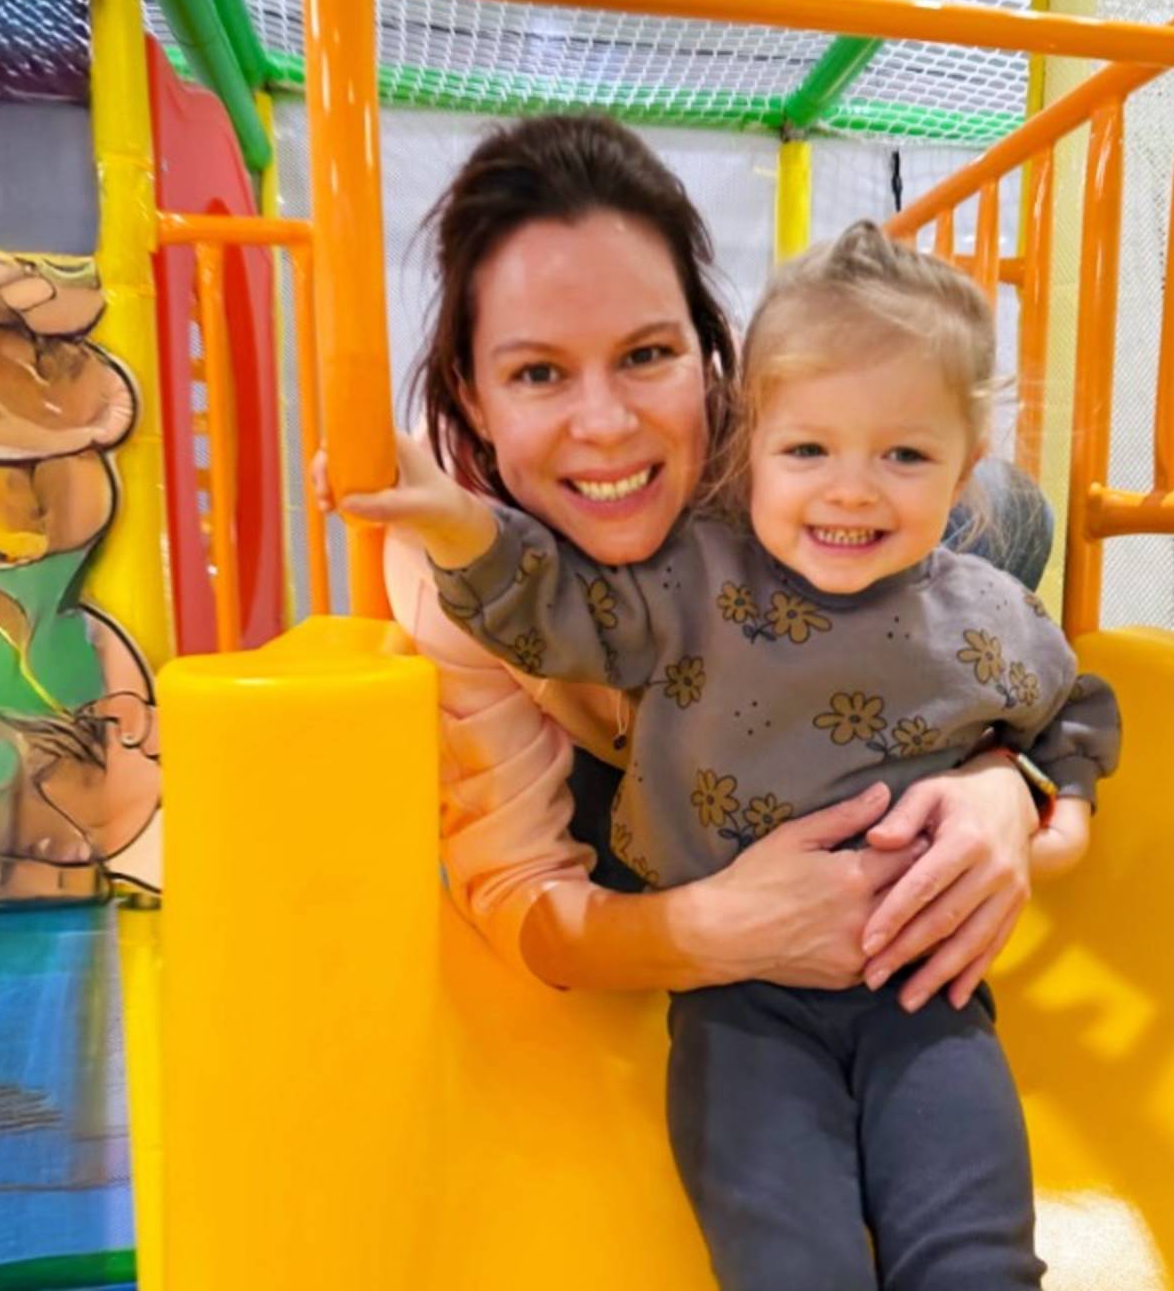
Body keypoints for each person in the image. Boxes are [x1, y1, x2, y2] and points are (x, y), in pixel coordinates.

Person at [350, 219, 1119, 1289]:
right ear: (749, 442)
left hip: (927, 990)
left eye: (903, 455)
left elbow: (1068, 714)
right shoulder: (694, 582)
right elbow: (559, 609)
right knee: (785, 1258)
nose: (851, 491)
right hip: (742, 1002)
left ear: (964, 467)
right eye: (809, 451)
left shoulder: (988, 613)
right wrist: (452, 524)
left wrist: (1037, 812)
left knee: (976, 1253)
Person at [377, 116, 1067, 1016]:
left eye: (647, 355)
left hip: (820, 684)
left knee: (1009, 513)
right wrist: (717, 927)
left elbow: (1049, 714)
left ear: (708, 357)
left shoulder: (796, 457)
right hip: (636, 778)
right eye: (539, 374)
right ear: (471, 398)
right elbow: (519, 891)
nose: (606, 426)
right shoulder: (448, 564)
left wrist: (1001, 781)